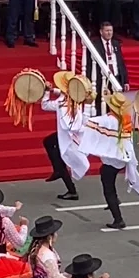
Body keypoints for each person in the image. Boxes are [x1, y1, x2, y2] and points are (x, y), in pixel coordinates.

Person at [79, 92, 139, 229]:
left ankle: (118, 218)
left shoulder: (107, 120)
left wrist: (87, 105)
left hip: (112, 159)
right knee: (107, 177)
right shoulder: (125, 118)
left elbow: (86, 122)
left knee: (108, 187)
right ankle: (114, 202)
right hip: (122, 157)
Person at [42, 71, 90, 200]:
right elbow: (62, 94)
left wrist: (47, 92)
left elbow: (45, 105)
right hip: (71, 134)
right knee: (48, 141)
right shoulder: (74, 97)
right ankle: (58, 170)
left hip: (68, 136)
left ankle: (71, 189)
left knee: (59, 158)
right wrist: (53, 90)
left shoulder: (62, 104)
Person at [88, 22, 130, 109]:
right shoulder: (95, 45)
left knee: (115, 105)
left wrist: (125, 81)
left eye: (111, 30)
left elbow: (121, 62)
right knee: (102, 105)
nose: (109, 33)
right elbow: (89, 65)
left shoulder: (116, 44)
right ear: (101, 31)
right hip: (102, 79)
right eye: (107, 30)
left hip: (116, 78)